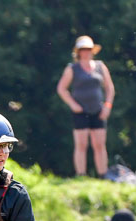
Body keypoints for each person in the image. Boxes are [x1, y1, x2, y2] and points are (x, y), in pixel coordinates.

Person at [56, 35, 115, 177]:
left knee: (100, 144)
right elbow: (62, 88)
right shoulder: (73, 68)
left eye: (89, 49)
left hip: (98, 110)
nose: (86, 52)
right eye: (83, 49)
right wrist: (73, 104)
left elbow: (109, 88)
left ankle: (103, 175)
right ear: (79, 51)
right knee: (81, 144)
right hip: (80, 111)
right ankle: (81, 174)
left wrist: (107, 106)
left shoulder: (100, 66)